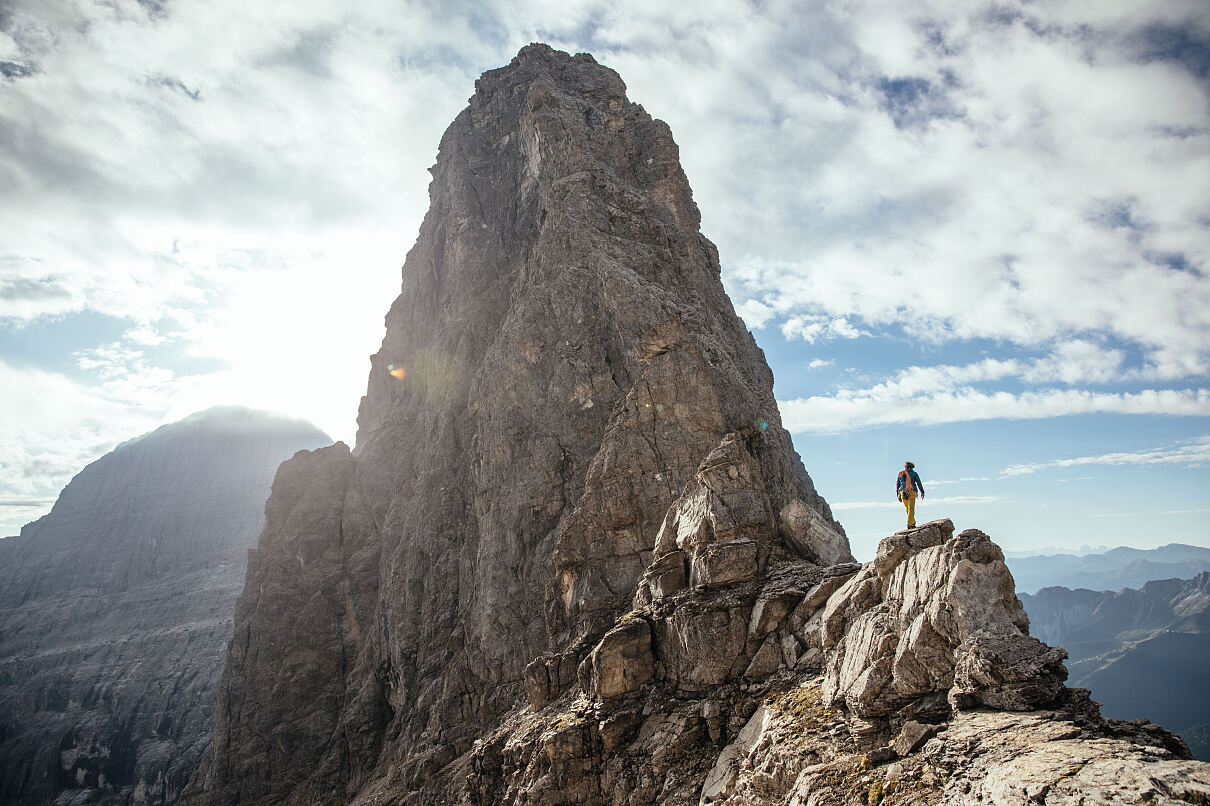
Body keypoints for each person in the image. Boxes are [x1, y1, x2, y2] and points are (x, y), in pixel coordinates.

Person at [896, 461, 925, 529]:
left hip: (902, 491)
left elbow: (898, 484)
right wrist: (922, 492)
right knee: (911, 508)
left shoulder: (900, 473)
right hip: (911, 491)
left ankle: (912, 523)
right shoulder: (914, 473)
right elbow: (918, 483)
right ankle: (909, 524)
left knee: (907, 508)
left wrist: (898, 494)